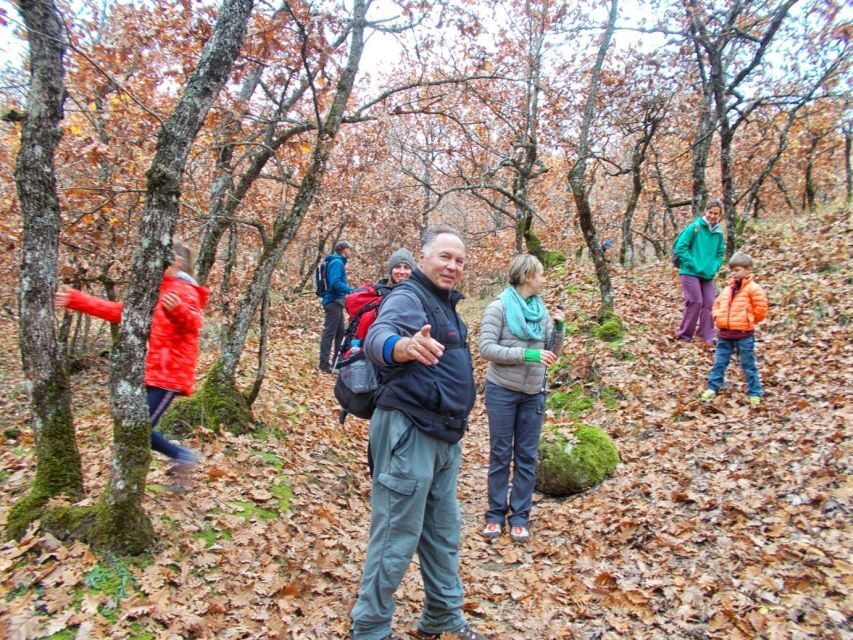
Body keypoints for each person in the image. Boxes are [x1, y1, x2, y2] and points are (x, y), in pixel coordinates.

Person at [349, 227, 487, 640]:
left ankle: (443, 615)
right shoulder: (409, 297)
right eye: (445, 256)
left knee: (442, 534)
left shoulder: (447, 306)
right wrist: (402, 347)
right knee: (395, 534)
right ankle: (370, 628)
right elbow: (379, 336)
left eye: (459, 260)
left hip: (444, 436)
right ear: (424, 257)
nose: (452, 266)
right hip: (409, 433)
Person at [55, 242, 207, 481]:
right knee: (136, 425)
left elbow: (194, 323)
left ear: (175, 261)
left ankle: (182, 455)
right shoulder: (157, 289)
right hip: (151, 370)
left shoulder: (184, 290)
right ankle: (178, 457)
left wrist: (177, 309)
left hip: (169, 374)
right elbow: (122, 313)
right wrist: (77, 300)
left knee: (139, 428)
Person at [478, 254, 565, 543]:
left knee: (527, 457)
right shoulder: (498, 308)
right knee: (501, 454)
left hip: (533, 394)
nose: (543, 279)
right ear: (527, 276)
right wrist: (527, 355)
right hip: (502, 390)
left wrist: (560, 328)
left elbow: (552, 352)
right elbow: (487, 348)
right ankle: (494, 515)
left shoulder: (540, 311)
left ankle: (519, 517)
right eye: (540, 274)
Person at [700, 251, 768, 406]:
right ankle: (712, 388)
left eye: (737, 270)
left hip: (744, 335)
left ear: (748, 269)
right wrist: (717, 316)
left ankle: (754, 392)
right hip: (725, 334)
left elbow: (761, 309)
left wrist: (749, 320)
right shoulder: (727, 289)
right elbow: (717, 304)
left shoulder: (753, 289)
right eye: (732, 270)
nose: (734, 273)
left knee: (748, 365)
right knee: (719, 362)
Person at [674, 200, 726, 345]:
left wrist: (714, 268)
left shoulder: (718, 233)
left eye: (716, 213)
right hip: (689, 272)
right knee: (695, 301)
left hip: (707, 275)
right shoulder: (694, 227)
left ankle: (707, 335)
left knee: (709, 303)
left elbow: (720, 254)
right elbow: (680, 248)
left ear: (720, 215)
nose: (712, 216)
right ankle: (684, 336)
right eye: (710, 212)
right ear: (705, 212)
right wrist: (694, 265)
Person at [347, 248, 415, 343]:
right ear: (391, 270)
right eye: (397, 267)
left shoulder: (418, 293)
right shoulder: (379, 291)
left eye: (406, 267)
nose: (402, 271)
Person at [319, 240, 353, 373]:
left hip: (336, 303)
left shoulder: (336, 262)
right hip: (333, 302)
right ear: (344, 250)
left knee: (340, 334)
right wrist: (351, 291)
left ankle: (336, 363)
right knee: (329, 333)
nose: (350, 251)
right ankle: (324, 365)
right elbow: (335, 283)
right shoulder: (337, 262)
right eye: (349, 249)